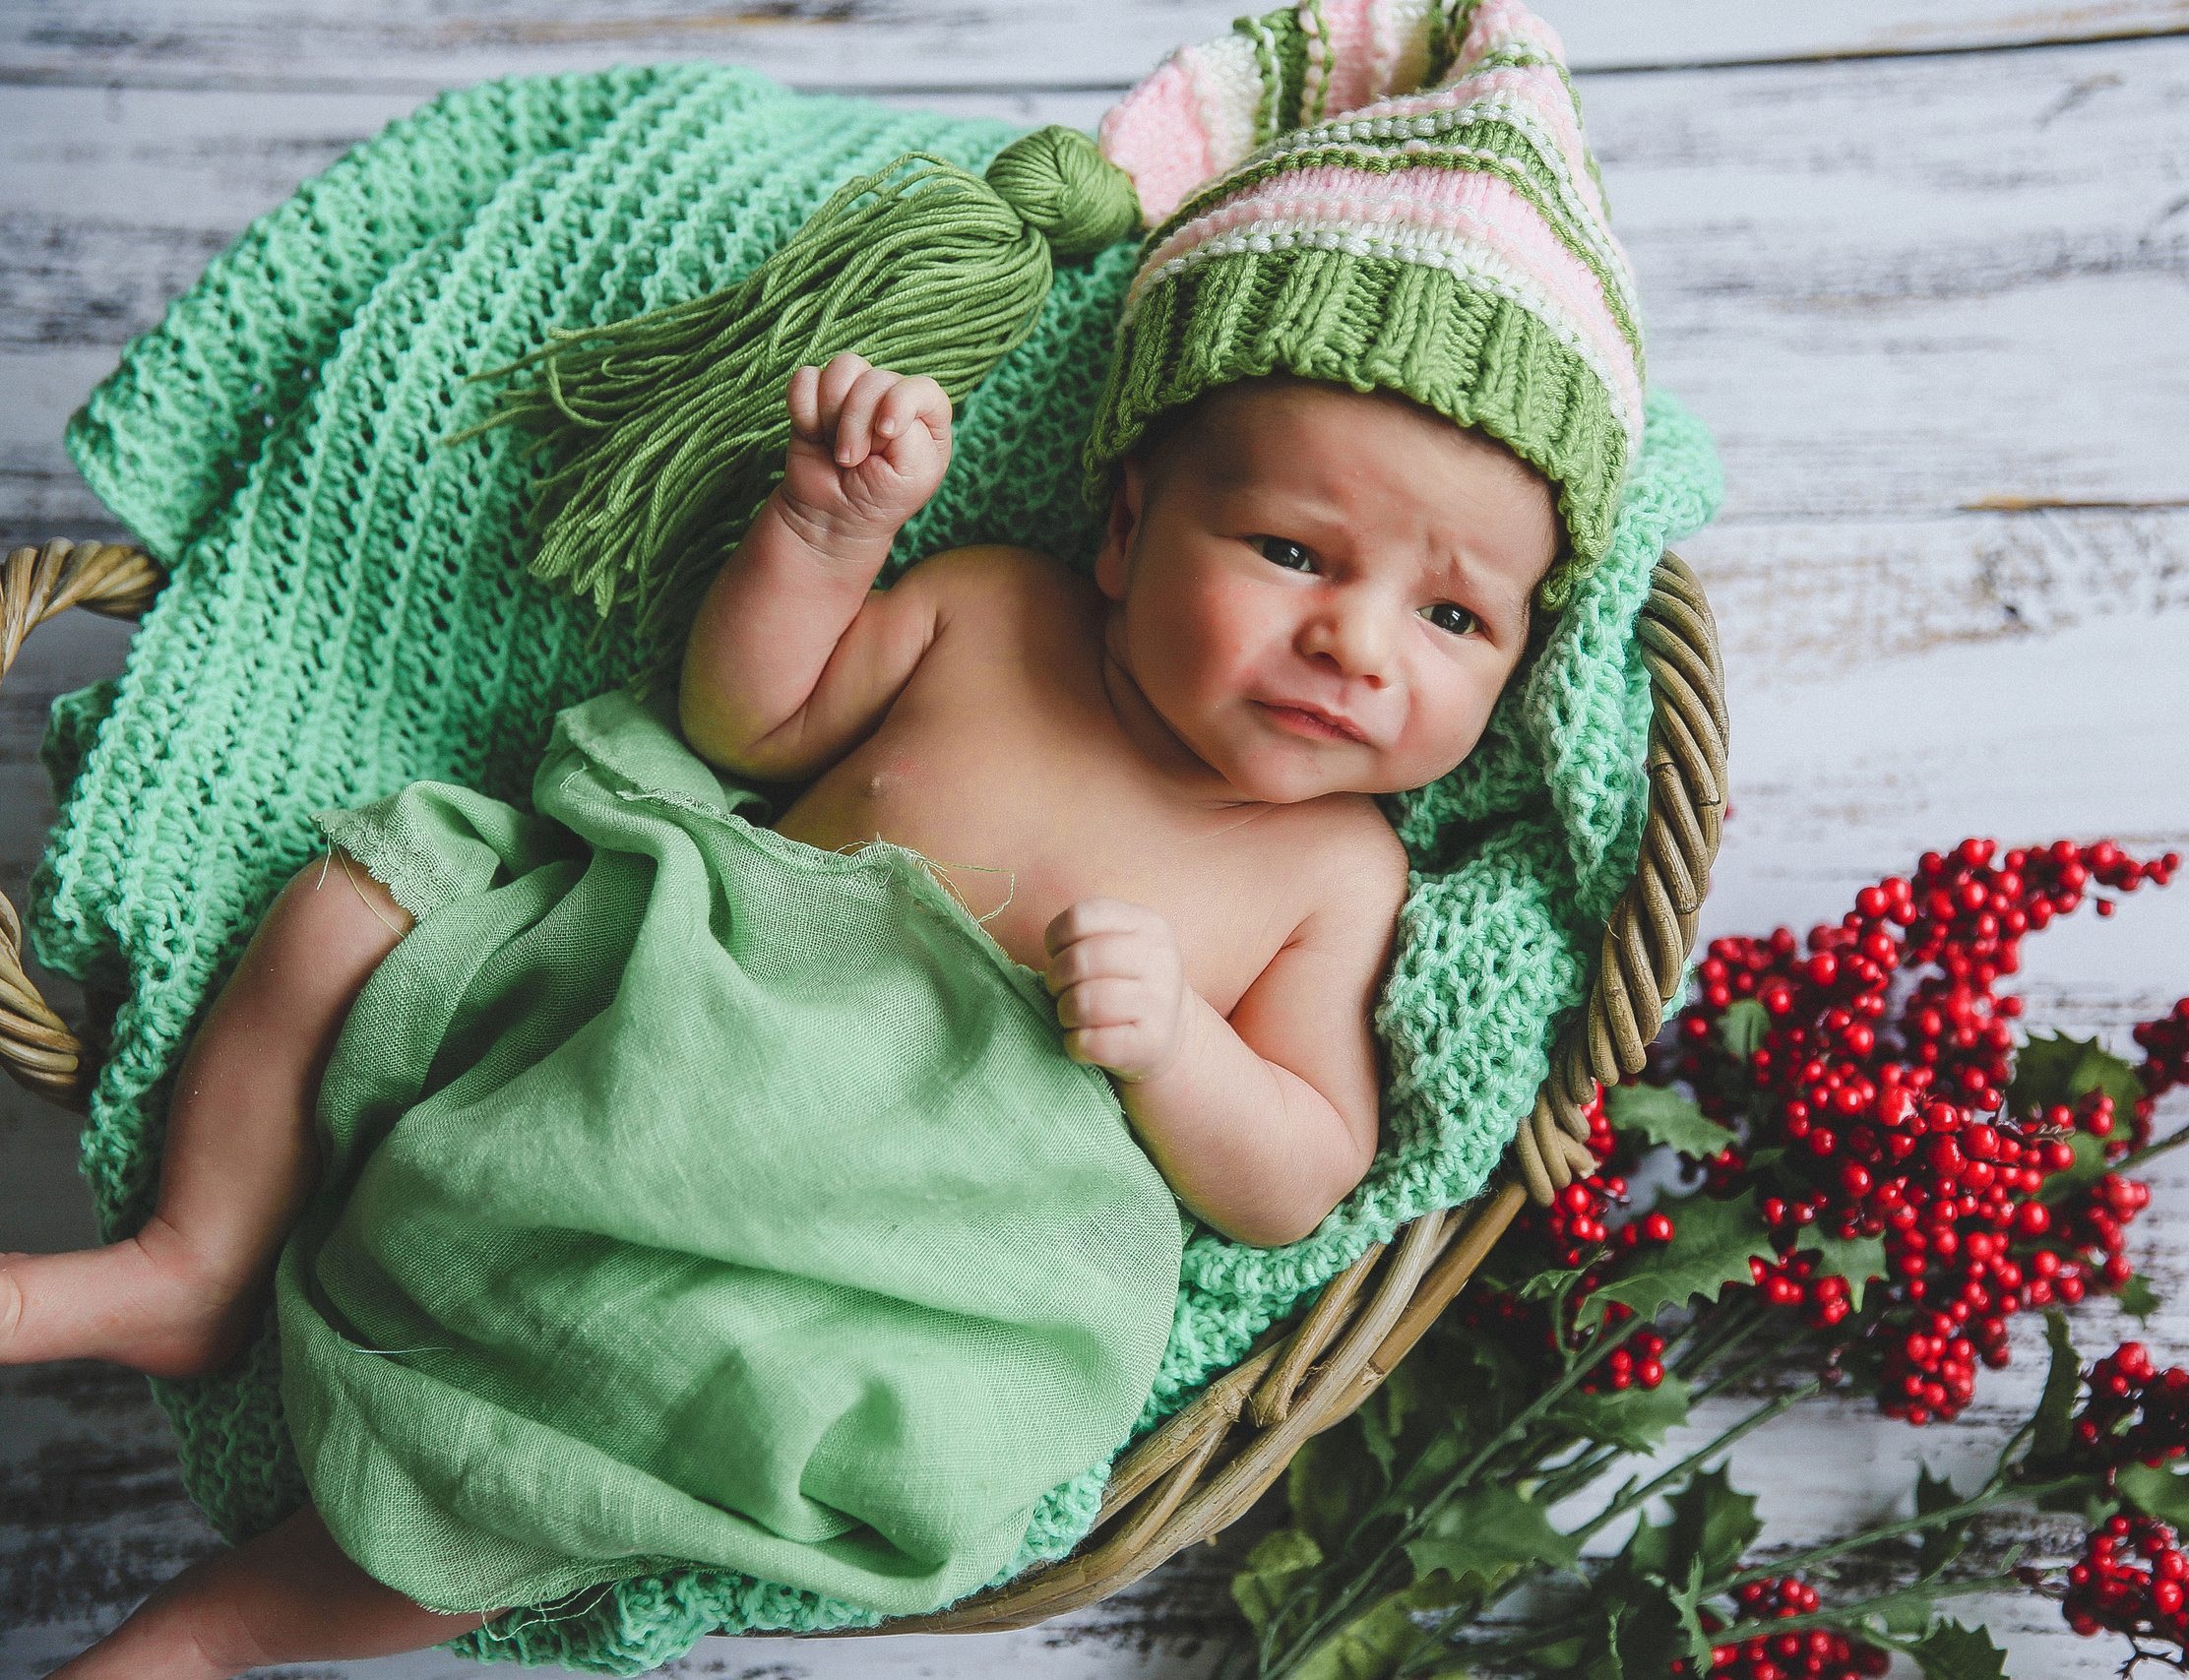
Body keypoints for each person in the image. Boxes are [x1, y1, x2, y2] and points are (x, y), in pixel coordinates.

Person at [6, 1, 1653, 1669]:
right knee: (366, 884)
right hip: (638, 1014)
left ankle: (216, 1631)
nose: (1358, 643)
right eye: (1296, 553)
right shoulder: (989, 614)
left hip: (863, 1240)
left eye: (1454, 617)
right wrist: (823, 531)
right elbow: (747, 729)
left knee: (604, 1457)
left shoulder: (1337, 871)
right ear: (1128, 525)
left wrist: (1176, 1060)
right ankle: (198, 1253)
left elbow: (1301, 1174)